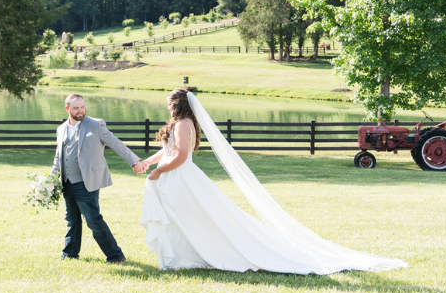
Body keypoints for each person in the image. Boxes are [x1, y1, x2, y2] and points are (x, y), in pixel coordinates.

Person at [135, 88, 406, 275]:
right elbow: (168, 150)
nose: (168, 108)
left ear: (177, 104)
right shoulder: (180, 124)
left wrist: (158, 172)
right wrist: (150, 161)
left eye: (170, 104)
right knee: (183, 217)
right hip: (175, 176)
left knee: (199, 217)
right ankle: (181, 256)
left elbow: (180, 156)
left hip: (181, 177)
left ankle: (192, 255)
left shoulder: (183, 124)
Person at [50, 93, 144, 264]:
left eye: (83, 107)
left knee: (93, 220)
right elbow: (58, 157)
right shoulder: (61, 129)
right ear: (67, 109)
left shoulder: (95, 124)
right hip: (67, 182)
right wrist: (51, 180)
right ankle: (70, 253)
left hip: (87, 181)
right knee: (71, 220)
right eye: (76, 108)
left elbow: (115, 143)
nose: (81, 111)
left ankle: (116, 256)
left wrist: (134, 161)